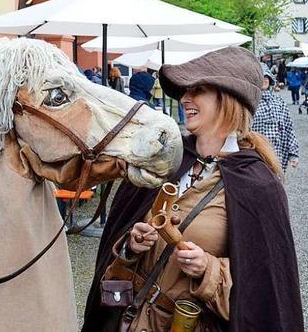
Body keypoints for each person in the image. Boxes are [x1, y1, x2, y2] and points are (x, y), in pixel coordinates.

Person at [82, 47, 303, 331]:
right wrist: (132, 244)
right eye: (186, 90)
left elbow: (263, 293)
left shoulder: (258, 185)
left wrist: (208, 269)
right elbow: (119, 238)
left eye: (198, 90)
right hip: (130, 320)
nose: (185, 98)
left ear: (229, 99)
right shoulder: (167, 160)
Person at [251, 65, 299, 172]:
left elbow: (288, 127)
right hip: (256, 154)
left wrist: (293, 153)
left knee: (276, 184)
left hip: (277, 154)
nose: (264, 79)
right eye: (261, 76)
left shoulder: (279, 101)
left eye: (266, 77)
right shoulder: (249, 102)